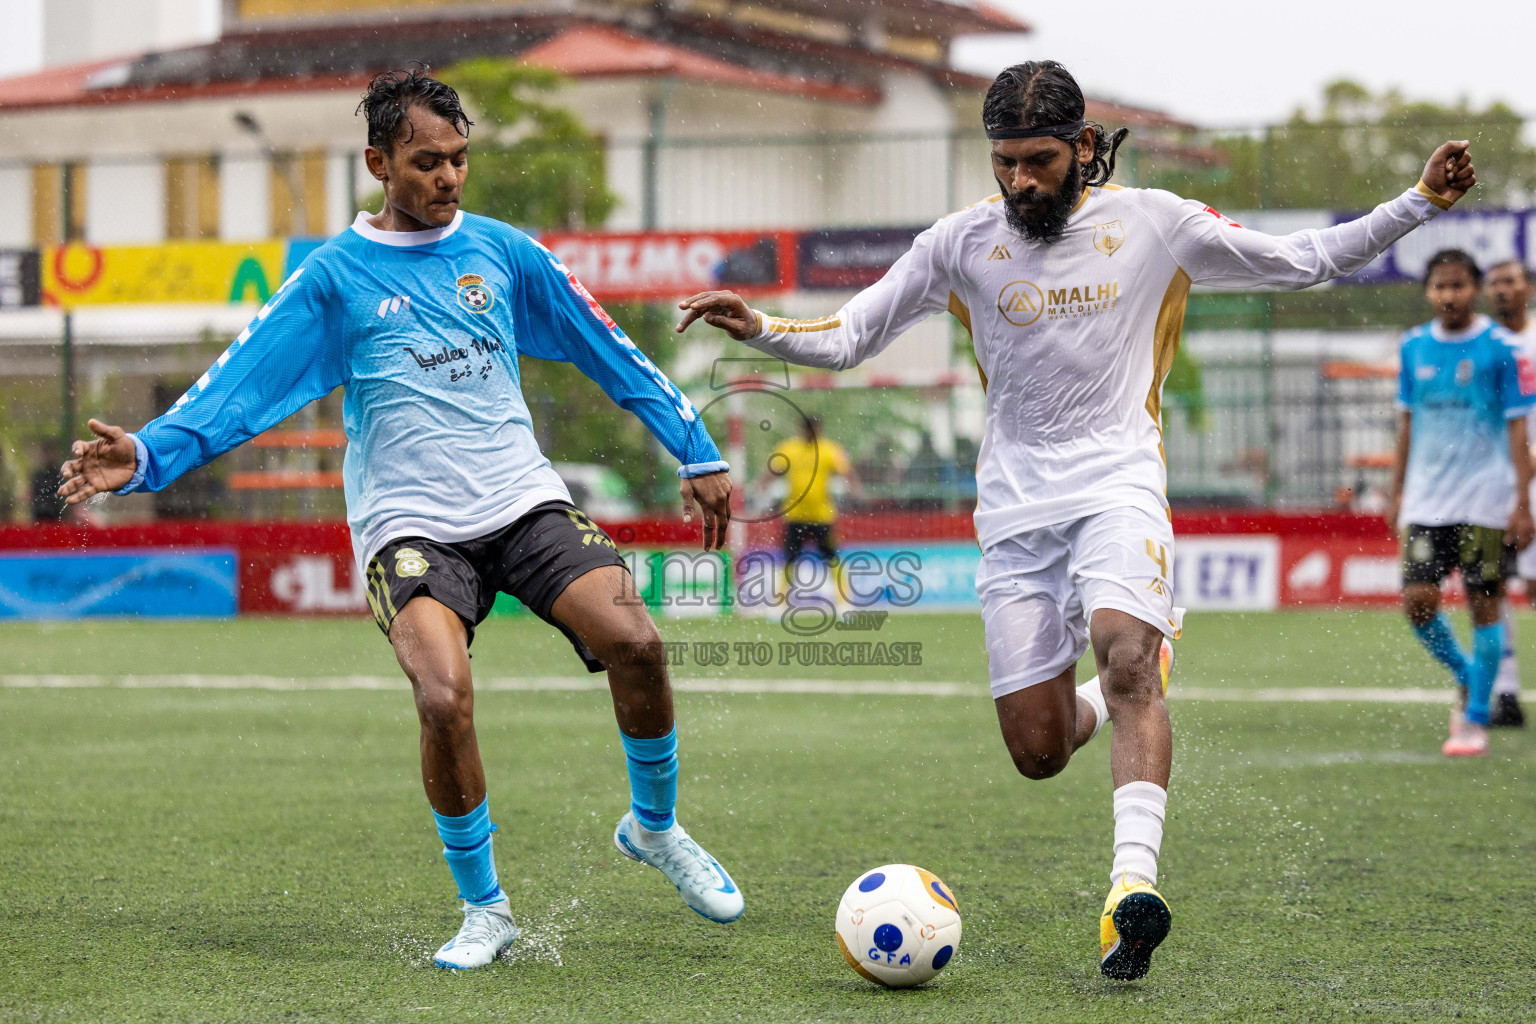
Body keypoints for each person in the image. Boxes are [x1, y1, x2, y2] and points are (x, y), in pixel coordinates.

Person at [675, 60, 1477, 981]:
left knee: (1125, 653)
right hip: (1015, 517)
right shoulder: (959, 243)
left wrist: (1419, 201)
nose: (1020, 180)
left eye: (1040, 161)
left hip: (1117, 484)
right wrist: (761, 327)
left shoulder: (1156, 223)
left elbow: (1306, 261)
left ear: (1084, 146)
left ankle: (1130, 889)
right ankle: (1126, 680)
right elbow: (851, 334)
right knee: (1039, 750)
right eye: (1005, 162)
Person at [57, 68, 743, 971]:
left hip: (522, 500)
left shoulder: (504, 253)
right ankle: (486, 909)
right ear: (379, 163)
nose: (448, 176)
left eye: (459, 158)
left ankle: (653, 828)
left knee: (638, 643)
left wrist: (695, 449)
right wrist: (148, 454)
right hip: (407, 525)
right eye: (427, 162)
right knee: (443, 698)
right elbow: (240, 383)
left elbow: (605, 346)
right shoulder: (334, 278)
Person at [1386, 250, 1535, 757]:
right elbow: (1407, 422)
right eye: (1439, 286)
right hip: (1426, 500)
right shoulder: (1413, 346)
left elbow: (1518, 429)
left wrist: (1522, 501)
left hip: (1485, 499)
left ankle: (1474, 720)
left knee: (1484, 605)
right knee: (1418, 602)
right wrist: (1397, 489)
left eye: (1458, 285)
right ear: (1427, 291)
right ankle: (1470, 676)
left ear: (1474, 289)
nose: (1449, 295)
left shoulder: (1501, 348)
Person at [1487, 259, 1536, 727]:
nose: (1502, 290)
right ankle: (1505, 694)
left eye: (1510, 281)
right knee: (1491, 586)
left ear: (1529, 288)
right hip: (1491, 485)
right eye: (1494, 283)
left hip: (1534, 481)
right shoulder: (1484, 346)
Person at [756, 414, 861, 599]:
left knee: (832, 557)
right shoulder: (789, 449)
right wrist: (760, 486)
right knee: (789, 558)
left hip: (822, 515)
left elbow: (847, 472)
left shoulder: (829, 449)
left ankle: (844, 599)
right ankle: (780, 601)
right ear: (802, 430)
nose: (811, 434)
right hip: (795, 514)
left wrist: (855, 490)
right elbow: (773, 470)